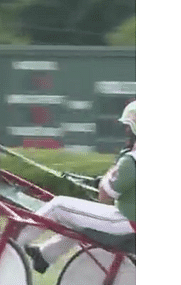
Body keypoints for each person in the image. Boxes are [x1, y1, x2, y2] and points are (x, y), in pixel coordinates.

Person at [15, 100, 136, 274]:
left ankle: (11, 245)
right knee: (75, 217)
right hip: (132, 223)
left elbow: (105, 196)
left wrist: (105, 180)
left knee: (58, 206)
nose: (125, 132)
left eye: (128, 127)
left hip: (125, 224)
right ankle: (45, 255)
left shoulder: (131, 160)